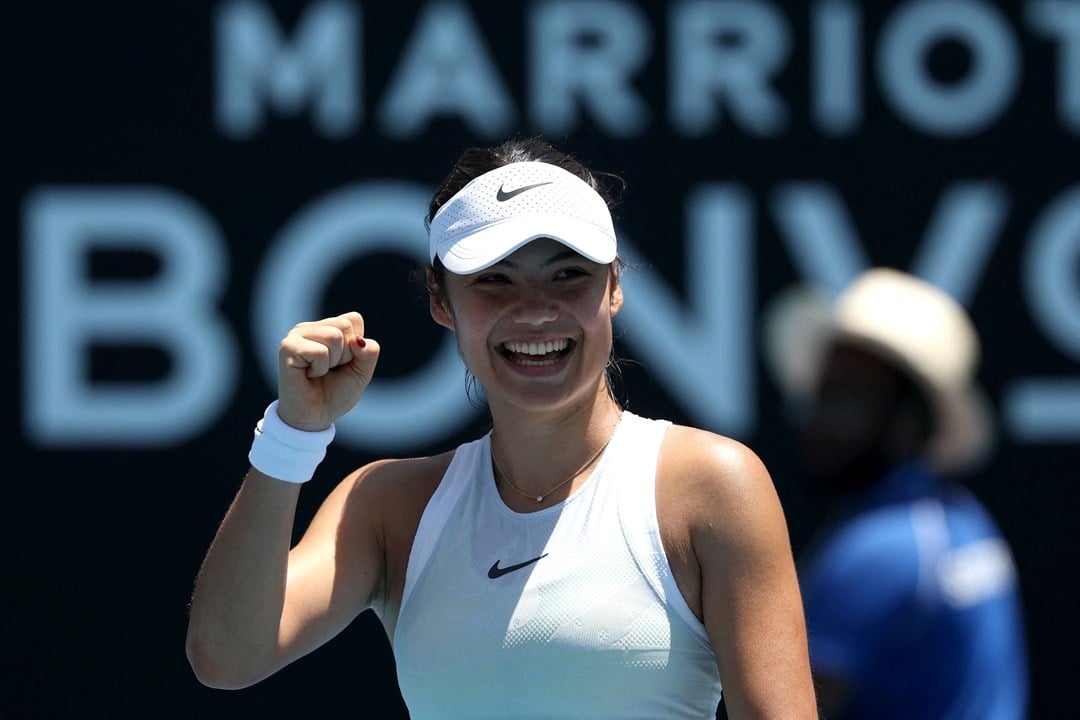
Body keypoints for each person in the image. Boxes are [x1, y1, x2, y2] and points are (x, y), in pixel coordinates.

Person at [186, 135, 818, 719]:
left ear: (615, 286)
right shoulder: (387, 506)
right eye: (494, 281)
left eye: (567, 274)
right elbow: (227, 658)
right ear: (442, 302)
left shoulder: (711, 485)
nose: (535, 311)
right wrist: (292, 436)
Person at [762, 268, 1029, 720]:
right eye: (821, 394)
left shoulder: (876, 553)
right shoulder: (967, 519)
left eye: (846, 399)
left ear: (909, 421)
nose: (817, 420)